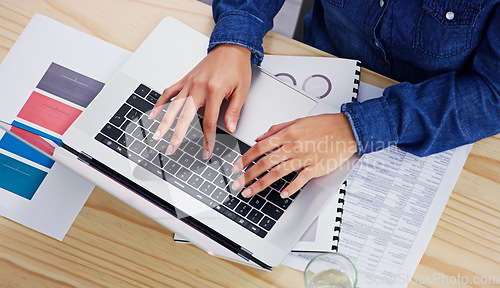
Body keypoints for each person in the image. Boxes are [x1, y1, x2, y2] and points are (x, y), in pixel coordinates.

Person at [149, 0, 500, 199]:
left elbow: (493, 92)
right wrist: (236, 34)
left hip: (433, 113)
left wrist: (358, 129)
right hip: (319, 59)